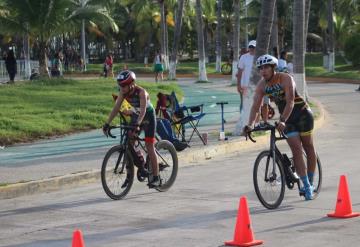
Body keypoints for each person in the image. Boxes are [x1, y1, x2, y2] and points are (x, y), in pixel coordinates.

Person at [243, 54, 317, 200]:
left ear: (273, 68)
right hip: (287, 119)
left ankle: (312, 180)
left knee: (308, 146)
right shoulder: (262, 86)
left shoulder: (285, 78)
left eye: (266, 68)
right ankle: (306, 185)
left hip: (302, 114)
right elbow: (255, 107)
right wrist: (250, 124)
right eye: (261, 68)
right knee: (296, 149)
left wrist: (282, 120)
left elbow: (290, 102)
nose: (263, 71)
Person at [102, 70, 161, 187]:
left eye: (124, 85)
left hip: (148, 116)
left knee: (149, 146)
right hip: (136, 114)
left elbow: (143, 111)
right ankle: (133, 172)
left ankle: (156, 177)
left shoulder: (141, 92)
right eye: (120, 86)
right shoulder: (123, 93)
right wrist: (107, 123)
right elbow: (116, 108)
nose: (122, 88)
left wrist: (138, 123)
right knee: (129, 142)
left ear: (132, 84)